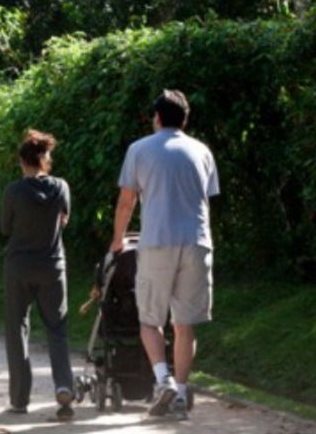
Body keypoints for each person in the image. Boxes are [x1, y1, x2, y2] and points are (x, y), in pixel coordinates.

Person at [109, 89, 219, 419]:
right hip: (197, 242)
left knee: (149, 320)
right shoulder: (202, 151)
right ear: (185, 119)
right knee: (184, 325)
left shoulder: (139, 149)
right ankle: (182, 394)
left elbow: (127, 201)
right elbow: (206, 197)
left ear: (156, 118)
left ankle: (163, 380)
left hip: (156, 241)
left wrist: (117, 240)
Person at [1, 130, 75, 419]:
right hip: (52, 265)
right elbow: (64, 219)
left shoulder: (13, 191)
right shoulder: (61, 187)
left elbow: (5, 228)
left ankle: (20, 399)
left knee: (17, 328)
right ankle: (64, 387)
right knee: (57, 329)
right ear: (45, 159)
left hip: (18, 266)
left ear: (22, 161)